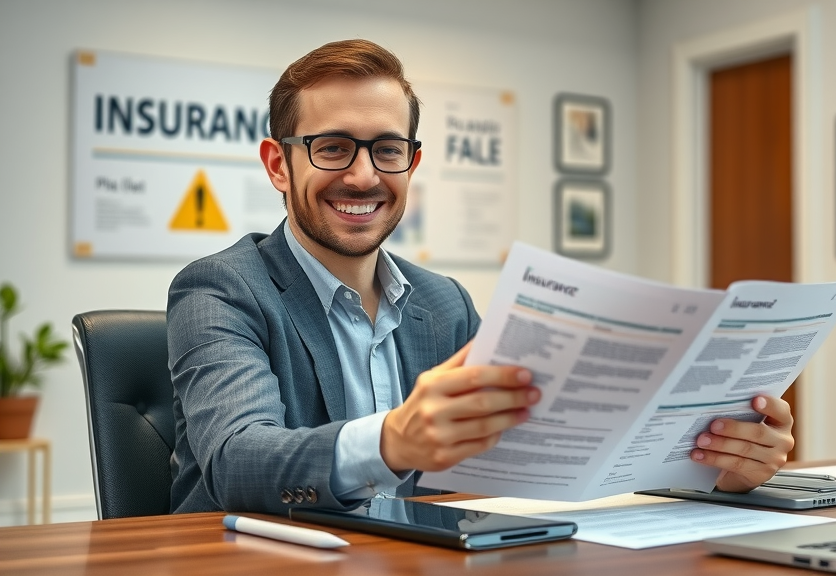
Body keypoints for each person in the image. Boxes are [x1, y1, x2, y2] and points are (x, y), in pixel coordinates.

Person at [166, 39, 795, 515]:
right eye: (333, 147)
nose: (363, 176)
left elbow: (530, 458)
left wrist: (712, 469)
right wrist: (391, 442)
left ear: (411, 163)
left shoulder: (443, 303)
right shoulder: (220, 289)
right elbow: (237, 462)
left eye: (387, 149)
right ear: (278, 164)